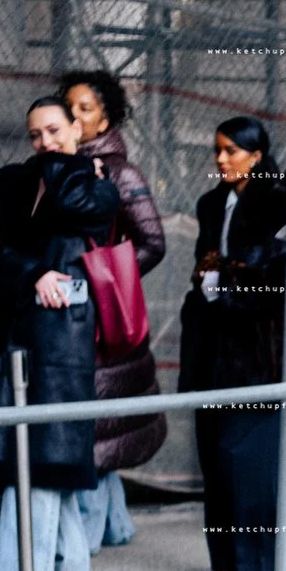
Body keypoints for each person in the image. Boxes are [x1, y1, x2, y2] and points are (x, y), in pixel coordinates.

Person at [0, 94, 121, 571]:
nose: (44, 143)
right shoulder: (15, 181)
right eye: (35, 135)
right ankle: (71, 567)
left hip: (63, 337)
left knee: (42, 459)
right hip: (14, 332)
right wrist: (31, 272)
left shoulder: (89, 182)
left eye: (54, 131)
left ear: (77, 128)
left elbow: (82, 210)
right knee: (37, 458)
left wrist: (66, 166)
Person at [181, 115, 286, 571]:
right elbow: (205, 262)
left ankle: (252, 561)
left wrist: (227, 283)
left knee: (244, 455)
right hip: (210, 340)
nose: (221, 159)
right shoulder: (211, 203)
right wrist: (210, 283)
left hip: (255, 346)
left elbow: (274, 275)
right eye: (217, 150)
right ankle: (222, 560)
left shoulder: (277, 201)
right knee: (213, 453)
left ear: (257, 155)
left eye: (231, 151)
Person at [58, 69, 166, 539]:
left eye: (86, 109)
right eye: (70, 108)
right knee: (100, 425)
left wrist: (106, 280)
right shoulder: (60, 166)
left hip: (103, 319)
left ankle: (90, 532)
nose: (76, 118)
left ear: (105, 121)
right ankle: (116, 526)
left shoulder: (120, 172)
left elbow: (153, 241)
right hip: (70, 316)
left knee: (98, 425)